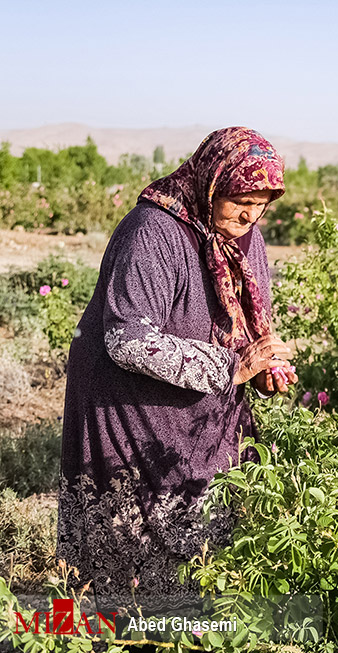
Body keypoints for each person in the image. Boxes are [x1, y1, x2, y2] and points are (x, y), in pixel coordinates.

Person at [57, 127, 298, 608]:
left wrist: (264, 368)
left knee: (208, 542)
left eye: (263, 204)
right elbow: (126, 339)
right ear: (211, 184)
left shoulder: (248, 238)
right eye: (239, 201)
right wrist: (231, 365)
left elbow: (248, 329)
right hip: (126, 404)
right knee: (127, 546)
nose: (251, 215)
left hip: (200, 403)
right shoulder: (154, 231)